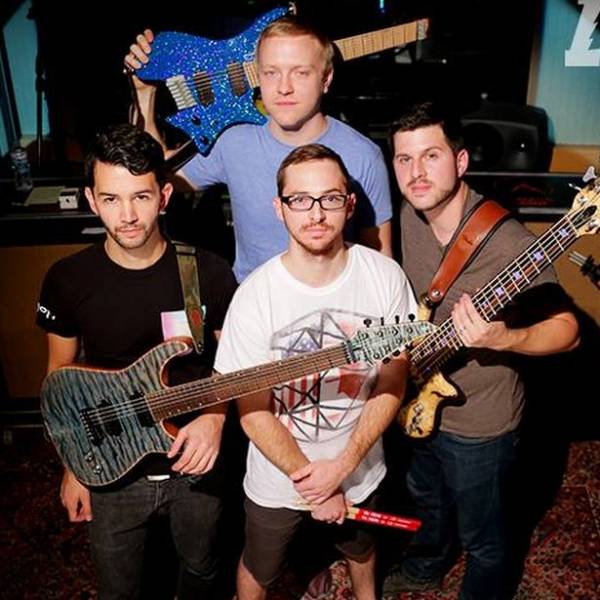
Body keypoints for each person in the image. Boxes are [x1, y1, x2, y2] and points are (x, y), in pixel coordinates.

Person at [382, 101, 580, 599]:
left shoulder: (508, 243)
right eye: (404, 159)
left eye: (431, 156)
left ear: (461, 160)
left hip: (480, 424)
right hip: (416, 397)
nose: (416, 172)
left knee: (485, 538)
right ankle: (426, 566)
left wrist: (505, 339)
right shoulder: (407, 216)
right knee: (427, 501)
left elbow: (568, 330)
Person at [36, 124, 238, 599]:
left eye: (141, 197)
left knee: (202, 569)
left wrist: (214, 417)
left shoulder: (207, 272)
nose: (127, 216)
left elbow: (234, 362)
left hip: (194, 461)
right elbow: (59, 384)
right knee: (119, 586)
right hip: (109, 464)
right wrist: (73, 468)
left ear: (164, 196)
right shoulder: (67, 279)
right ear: (91, 199)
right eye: (111, 199)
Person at [213, 143, 416, 600]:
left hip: (359, 468)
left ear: (350, 204)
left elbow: (393, 378)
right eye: (300, 200)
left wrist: (343, 467)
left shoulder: (385, 277)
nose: (316, 213)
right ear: (279, 208)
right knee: (259, 567)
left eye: (329, 198)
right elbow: (252, 411)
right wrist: (315, 483)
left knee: (361, 551)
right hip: (277, 476)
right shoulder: (254, 296)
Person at [124, 14, 393, 282]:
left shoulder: (363, 155)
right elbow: (153, 176)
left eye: (300, 73)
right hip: (253, 302)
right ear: (258, 76)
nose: (284, 88)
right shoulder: (234, 141)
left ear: (326, 79)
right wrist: (145, 95)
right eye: (271, 73)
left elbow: (380, 264)